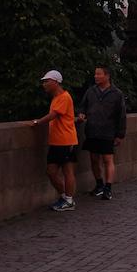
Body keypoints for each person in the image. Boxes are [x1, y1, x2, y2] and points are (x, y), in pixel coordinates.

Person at [31, 70, 79, 212]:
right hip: (56, 141)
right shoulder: (56, 98)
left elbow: (53, 115)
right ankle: (64, 197)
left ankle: (69, 200)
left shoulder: (64, 97)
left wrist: (38, 122)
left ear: (56, 82)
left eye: (47, 81)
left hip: (66, 140)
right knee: (51, 172)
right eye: (44, 82)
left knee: (67, 171)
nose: (44, 84)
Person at [76, 65, 126, 200]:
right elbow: (82, 107)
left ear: (107, 76)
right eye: (95, 74)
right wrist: (80, 114)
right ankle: (99, 184)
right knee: (94, 159)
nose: (96, 76)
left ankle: (108, 187)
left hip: (108, 131)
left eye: (99, 74)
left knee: (107, 159)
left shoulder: (116, 94)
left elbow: (121, 115)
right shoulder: (91, 91)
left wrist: (120, 134)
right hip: (92, 130)